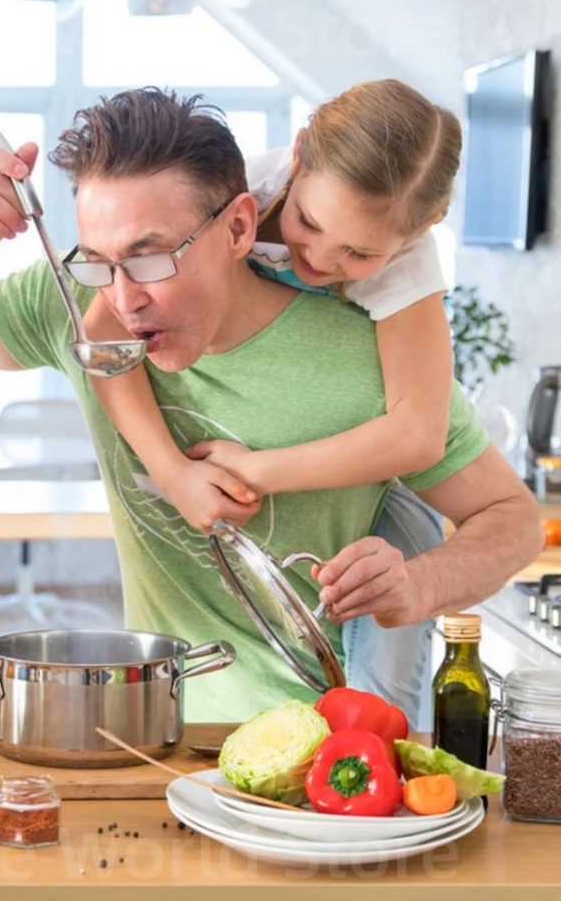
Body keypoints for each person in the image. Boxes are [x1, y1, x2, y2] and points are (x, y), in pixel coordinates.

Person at [0, 87, 542, 723]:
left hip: (327, 766)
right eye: (101, 262)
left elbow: (512, 521)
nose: (122, 298)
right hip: (154, 744)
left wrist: (414, 586)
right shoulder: (82, 292)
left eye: (150, 260)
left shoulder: (372, 356)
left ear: (241, 228)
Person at [80, 79, 460, 724]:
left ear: (422, 229)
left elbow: (418, 437)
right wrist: (172, 472)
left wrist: (255, 468)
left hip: (384, 485)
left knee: (382, 675)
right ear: (299, 154)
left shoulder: (409, 265)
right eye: (308, 223)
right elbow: (101, 333)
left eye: (359, 253)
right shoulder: (244, 188)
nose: (317, 257)